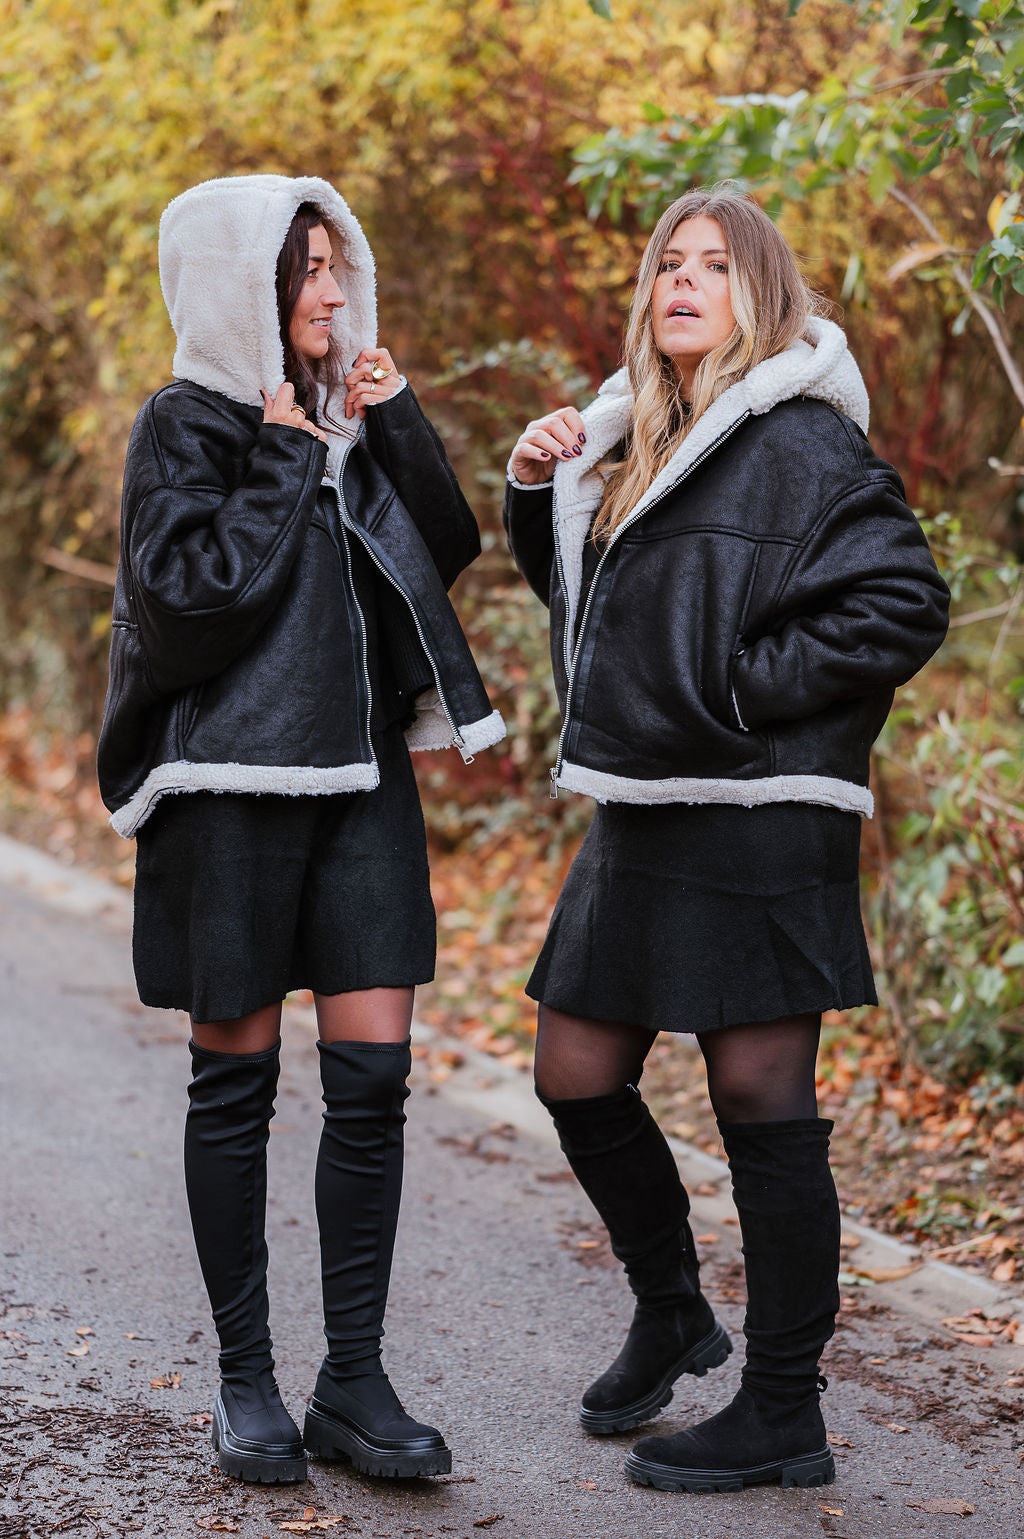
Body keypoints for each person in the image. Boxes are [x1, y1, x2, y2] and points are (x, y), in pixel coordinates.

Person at [503, 185, 949, 1494]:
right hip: (646, 803)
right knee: (575, 1070)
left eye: (714, 265)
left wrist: (741, 695)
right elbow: (610, 621)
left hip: (760, 813)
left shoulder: (802, 440)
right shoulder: (645, 433)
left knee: (762, 1101)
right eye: (668, 265)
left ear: (765, 295)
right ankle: (670, 1310)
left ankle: (782, 1410)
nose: (683, 283)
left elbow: (902, 604)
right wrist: (539, 492)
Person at [97, 174, 504, 1486]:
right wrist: (283, 455)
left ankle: (353, 1384)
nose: (334, 291)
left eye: (336, 266)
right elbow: (189, 603)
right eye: (307, 269)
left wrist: (394, 419)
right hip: (232, 792)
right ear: (244, 287)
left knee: (373, 1081)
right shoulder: (185, 423)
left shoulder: (335, 418)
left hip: (362, 781)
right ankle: (246, 1382)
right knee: (237, 1086)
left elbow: (440, 549)